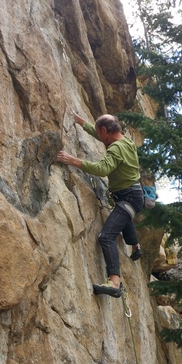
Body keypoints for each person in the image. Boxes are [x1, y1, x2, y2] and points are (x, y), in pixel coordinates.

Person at [56, 110, 144, 298]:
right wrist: (82, 122)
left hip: (127, 197)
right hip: (133, 194)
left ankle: (114, 281)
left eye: (100, 132)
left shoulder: (115, 148)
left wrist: (74, 161)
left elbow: (103, 169)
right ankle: (136, 247)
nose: (100, 137)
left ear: (105, 130)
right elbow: (101, 135)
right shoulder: (125, 141)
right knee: (124, 220)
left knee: (106, 236)